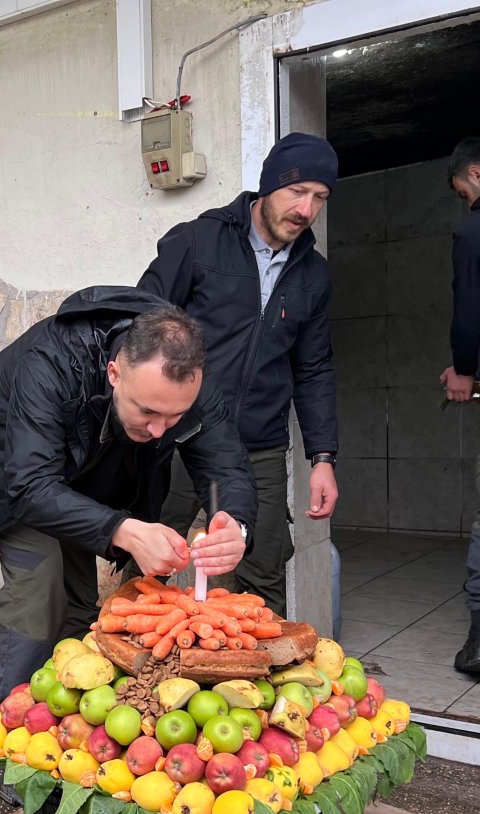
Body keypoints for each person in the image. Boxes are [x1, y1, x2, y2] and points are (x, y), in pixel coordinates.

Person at [0, 291, 258, 701]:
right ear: (114, 372)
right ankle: (13, 721)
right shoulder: (50, 361)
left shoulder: (190, 380)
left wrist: (236, 525)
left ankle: (75, 717)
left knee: (80, 601)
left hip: (75, 473)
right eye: (147, 413)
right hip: (3, 466)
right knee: (41, 585)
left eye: (174, 417)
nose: (161, 431)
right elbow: (31, 485)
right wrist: (122, 529)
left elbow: (226, 466)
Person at [137, 132, 340, 618]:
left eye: (320, 198)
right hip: (183, 436)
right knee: (149, 564)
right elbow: (139, 326)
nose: (306, 209)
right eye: (297, 192)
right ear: (268, 186)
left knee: (261, 570)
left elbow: (313, 367)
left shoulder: (313, 274)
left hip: (260, 446)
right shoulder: (197, 242)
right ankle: (138, 678)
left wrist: (323, 456)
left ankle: (246, 686)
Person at [441, 139, 480, 673]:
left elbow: (469, 307)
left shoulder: (473, 230)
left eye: (463, 190)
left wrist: (463, 370)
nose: (465, 200)